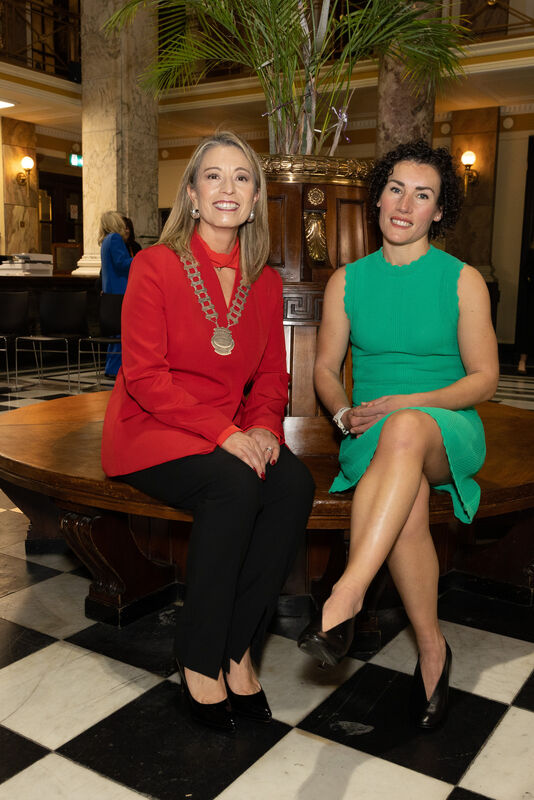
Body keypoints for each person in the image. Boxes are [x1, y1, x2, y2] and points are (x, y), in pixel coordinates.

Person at [101, 131, 315, 734]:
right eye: (213, 177)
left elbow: (274, 373)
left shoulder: (265, 282)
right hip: (149, 428)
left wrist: (267, 429)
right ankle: (199, 658)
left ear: (254, 200)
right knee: (234, 488)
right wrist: (227, 433)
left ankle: (236, 647)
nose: (228, 188)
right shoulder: (156, 265)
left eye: (242, 178)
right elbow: (144, 377)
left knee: (292, 484)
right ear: (192, 194)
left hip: (225, 432)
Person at [298, 140, 499, 730]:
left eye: (423, 194)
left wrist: (410, 402)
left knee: (408, 428)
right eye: (395, 189)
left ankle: (346, 596)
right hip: (372, 433)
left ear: (439, 211)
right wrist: (341, 414)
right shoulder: (347, 281)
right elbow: (324, 370)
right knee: (405, 501)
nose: (405, 204)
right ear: (378, 198)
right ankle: (432, 649)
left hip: (447, 423)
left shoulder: (462, 281)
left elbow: (485, 379)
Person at [98, 210, 133, 377]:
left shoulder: (106, 240)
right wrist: (142, 257)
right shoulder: (115, 238)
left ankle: (112, 368)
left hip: (110, 292)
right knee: (122, 332)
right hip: (120, 291)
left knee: (116, 333)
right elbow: (122, 263)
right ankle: (116, 368)